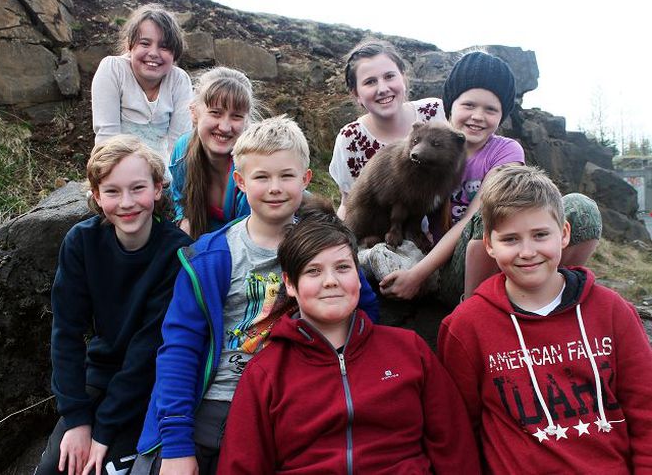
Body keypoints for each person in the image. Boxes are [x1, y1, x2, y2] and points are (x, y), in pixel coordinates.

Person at [134, 116, 379, 475]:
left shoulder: (326, 248)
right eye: (262, 177)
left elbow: (365, 309)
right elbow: (180, 349)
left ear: (306, 180)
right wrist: (175, 443)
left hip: (294, 398)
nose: (275, 187)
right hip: (217, 399)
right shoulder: (210, 257)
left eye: (286, 176)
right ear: (240, 181)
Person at [217, 205, 479, 474]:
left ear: (358, 275)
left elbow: (454, 447)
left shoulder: (410, 350)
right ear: (290, 284)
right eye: (313, 271)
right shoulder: (266, 373)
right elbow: (241, 465)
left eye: (342, 267)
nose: (330, 281)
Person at [438, 165, 652, 473]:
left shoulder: (613, 311)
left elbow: (645, 412)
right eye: (510, 239)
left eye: (540, 235)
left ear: (564, 234)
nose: (527, 251)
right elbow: (460, 433)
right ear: (489, 244)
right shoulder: (466, 327)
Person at [378, 51, 601, 306]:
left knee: (580, 209)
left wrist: (416, 275)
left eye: (490, 109)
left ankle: (551, 300)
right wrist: (416, 273)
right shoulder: (428, 146)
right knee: (486, 217)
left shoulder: (505, 151)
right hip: (451, 272)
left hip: (507, 257)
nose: (478, 116)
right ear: (450, 104)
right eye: (469, 105)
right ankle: (476, 315)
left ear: (502, 114)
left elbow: (480, 217)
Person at [35, 135, 193, 475]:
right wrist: (76, 419)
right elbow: (66, 334)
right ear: (96, 195)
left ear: (158, 189)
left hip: (151, 385)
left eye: (138, 188)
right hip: (101, 375)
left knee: (107, 469)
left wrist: (103, 430)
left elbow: (147, 349)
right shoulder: (82, 242)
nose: (126, 202)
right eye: (112, 191)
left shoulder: (176, 252)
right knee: (54, 468)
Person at [329, 39, 446, 220]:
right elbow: (348, 203)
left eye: (389, 76)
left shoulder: (436, 112)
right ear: (356, 94)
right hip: (383, 241)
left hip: (445, 231)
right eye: (370, 82)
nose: (383, 88)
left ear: (403, 77)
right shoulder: (350, 139)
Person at [91, 3, 193, 180]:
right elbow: (107, 139)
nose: (153, 53)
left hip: (163, 171)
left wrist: (169, 183)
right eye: (145, 43)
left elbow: (179, 146)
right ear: (130, 46)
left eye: (164, 46)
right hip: (117, 165)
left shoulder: (180, 80)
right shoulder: (112, 69)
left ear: (175, 53)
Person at [168, 67, 259, 239]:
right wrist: (183, 219)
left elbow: (248, 235)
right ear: (194, 112)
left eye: (236, 116)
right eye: (215, 113)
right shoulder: (183, 150)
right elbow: (178, 195)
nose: (225, 127)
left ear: (247, 121)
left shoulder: (254, 164)